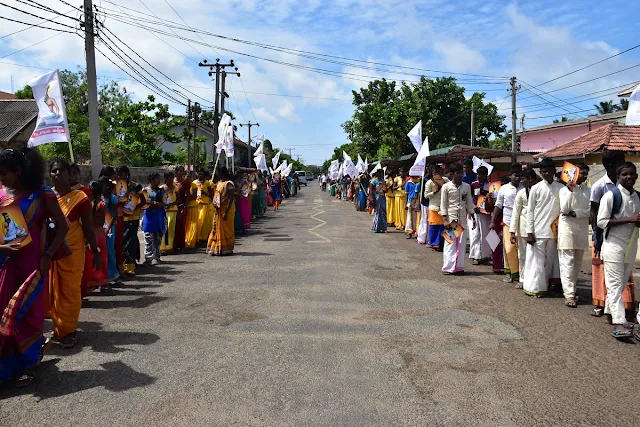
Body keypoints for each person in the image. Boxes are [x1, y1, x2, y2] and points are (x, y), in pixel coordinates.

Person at [0, 147, 68, 387]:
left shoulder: (42, 194)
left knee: (28, 315)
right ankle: (8, 366)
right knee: (5, 313)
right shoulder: (1, 194)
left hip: (33, 265)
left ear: (19, 171)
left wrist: (48, 254)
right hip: (5, 263)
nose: (1, 178)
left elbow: (63, 226)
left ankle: (29, 365)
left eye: (5, 173)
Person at [47, 159, 101, 349]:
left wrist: (96, 250)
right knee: (52, 290)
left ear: (69, 174)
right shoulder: (45, 196)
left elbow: (88, 227)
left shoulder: (79, 197)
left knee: (70, 290)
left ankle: (69, 331)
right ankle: (58, 327)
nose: (57, 174)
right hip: (50, 250)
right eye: (53, 171)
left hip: (73, 250)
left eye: (61, 171)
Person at [596, 162, 640, 339]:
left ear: (636, 176)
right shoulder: (611, 196)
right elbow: (601, 222)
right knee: (614, 284)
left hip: (631, 244)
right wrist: (629, 219)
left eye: (632, 174)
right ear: (618, 177)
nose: (629, 177)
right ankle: (619, 321)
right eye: (625, 174)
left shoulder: (638, 197)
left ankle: (610, 312)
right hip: (613, 244)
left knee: (621, 282)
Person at [590, 150, 635, 317]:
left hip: (627, 241)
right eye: (620, 163)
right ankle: (604, 307)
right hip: (606, 236)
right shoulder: (600, 187)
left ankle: (615, 307)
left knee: (621, 277)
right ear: (611, 166)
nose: (628, 175)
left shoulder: (633, 193)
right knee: (605, 274)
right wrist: (597, 238)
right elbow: (594, 215)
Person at [523, 158, 563, 297]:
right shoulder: (536, 188)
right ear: (540, 172)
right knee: (537, 262)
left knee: (550, 261)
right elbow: (530, 211)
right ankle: (536, 288)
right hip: (538, 231)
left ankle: (546, 286)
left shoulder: (561, 188)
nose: (546, 174)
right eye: (543, 171)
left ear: (554, 171)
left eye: (549, 171)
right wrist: (529, 232)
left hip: (554, 232)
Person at [558, 163, 591, 308]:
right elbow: (564, 209)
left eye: (586, 174)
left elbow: (590, 211)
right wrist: (570, 190)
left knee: (577, 263)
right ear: (574, 174)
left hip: (581, 231)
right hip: (567, 230)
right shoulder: (563, 190)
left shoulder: (588, 191)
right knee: (567, 262)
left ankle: (573, 290)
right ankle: (569, 295)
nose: (584, 176)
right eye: (582, 173)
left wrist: (575, 213)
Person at [440, 163, 476, 274]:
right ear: (452, 174)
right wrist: (444, 219)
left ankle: (459, 267)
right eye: (458, 173)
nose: (460, 175)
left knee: (461, 244)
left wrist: (472, 214)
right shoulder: (446, 187)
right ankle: (448, 267)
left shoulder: (466, 186)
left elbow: (469, 201)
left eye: (461, 173)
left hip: (463, 218)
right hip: (451, 218)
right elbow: (443, 204)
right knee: (450, 243)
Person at [492, 166, 522, 283]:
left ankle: (521, 274)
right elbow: (498, 205)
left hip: (522, 222)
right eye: (515, 175)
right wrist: (492, 221)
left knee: (520, 250)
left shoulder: (525, 187)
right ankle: (510, 272)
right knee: (509, 249)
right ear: (510, 176)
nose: (518, 178)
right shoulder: (504, 188)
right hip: (508, 221)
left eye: (520, 175)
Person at [81, 180, 110, 297]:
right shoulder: (101, 204)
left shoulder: (89, 203)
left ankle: (91, 283)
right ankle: (102, 283)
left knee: (90, 258)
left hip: (90, 232)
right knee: (102, 257)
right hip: (99, 232)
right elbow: (102, 221)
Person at [510, 168, 535, 289]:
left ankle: (534, 280)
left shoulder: (538, 191)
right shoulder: (521, 193)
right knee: (523, 255)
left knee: (536, 257)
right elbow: (516, 212)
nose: (521, 181)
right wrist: (512, 231)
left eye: (523, 179)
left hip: (538, 229)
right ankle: (522, 278)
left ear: (531, 179)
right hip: (523, 228)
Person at [117, 166, 144, 275]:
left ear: (127, 174)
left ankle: (130, 267)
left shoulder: (136, 186)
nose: (120, 176)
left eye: (121, 174)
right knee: (122, 242)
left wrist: (134, 208)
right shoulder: (117, 186)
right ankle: (122, 265)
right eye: (118, 174)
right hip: (121, 218)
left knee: (130, 242)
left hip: (133, 218)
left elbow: (143, 201)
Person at [208, 167, 236, 256]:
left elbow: (230, 199)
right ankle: (216, 247)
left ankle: (226, 248)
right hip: (218, 209)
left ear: (222, 174)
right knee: (216, 228)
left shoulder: (229, 184)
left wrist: (226, 212)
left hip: (226, 209)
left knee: (226, 229)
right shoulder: (219, 183)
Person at [469, 166, 493, 265]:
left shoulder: (491, 186)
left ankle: (486, 255)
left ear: (486, 175)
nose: (479, 176)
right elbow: (469, 197)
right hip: (475, 213)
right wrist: (473, 206)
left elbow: (493, 199)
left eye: (481, 174)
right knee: (475, 234)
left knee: (486, 234)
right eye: (478, 174)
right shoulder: (473, 185)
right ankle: (476, 256)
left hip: (486, 213)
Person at [100, 176, 120, 291]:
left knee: (110, 251)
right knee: (102, 252)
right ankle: (103, 277)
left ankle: (114, 275)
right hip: (100, 227)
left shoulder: (113, 198)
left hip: (110, 227)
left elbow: (115, 215)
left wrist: (108, 228)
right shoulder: (98, 198)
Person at [142, 173, 166, 265]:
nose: (159, 181)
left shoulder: (161, 191)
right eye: (157, 179)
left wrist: (153, 203)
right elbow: (141, 204)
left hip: (159, 217)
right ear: (152, 180)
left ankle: (157, 257)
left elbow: (164, 204)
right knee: (148, 239)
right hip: (149, 218)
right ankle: (148, 258)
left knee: (158, 238)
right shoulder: (145, 191)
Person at [424, 165, 448, 250]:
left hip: (444, 207)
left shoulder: (445, 180)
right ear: (432, 174)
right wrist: (434, 192)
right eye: (435, 173)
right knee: (434, 226)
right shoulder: (429, 183)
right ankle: (434, 243)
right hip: (434, 207)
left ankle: (443, 243)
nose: (437, 174)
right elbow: (426, 195)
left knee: (443, 226)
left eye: (439, 172)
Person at [192, 169, 213, 243]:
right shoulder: (194, 182)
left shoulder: (207, 183)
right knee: (198, 221)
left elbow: (211, 194)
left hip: (205, 204)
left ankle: (204, 238)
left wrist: (204, 192)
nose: (200, 176)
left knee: (204, 222)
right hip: (197, 204)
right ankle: (197, 237)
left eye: (201, 174)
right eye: (199, 174)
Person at [160, 171, 178, 255]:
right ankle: (162, 247)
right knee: (164, 228)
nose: (171, 179)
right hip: (164, 210)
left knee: (171, 229)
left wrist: (172, 203)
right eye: (170, 178)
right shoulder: (161, 188)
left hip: (173, 210)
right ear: (166, 178)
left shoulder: (175, 188)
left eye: (172, 178)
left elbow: (179, 199)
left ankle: (170, 247)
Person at [173, 166, 189, 252]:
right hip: (171, 207)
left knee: (180, 226)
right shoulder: (172, 181)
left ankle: (180, 244)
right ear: (176, 172)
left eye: (183, 171)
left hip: (181, 206)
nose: (182, 173)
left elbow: (188, 196)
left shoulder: (185, 183)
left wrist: (185, 207)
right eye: (180, 171)